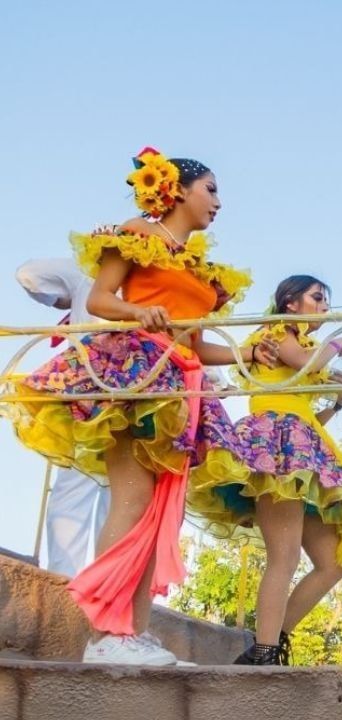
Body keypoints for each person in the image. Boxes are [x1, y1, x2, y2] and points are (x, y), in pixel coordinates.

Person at [6, 147, 270, 665]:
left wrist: (245, 353)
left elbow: (193, 342)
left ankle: (135, 631)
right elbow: (103, 300)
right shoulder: (136, 235)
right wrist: (138, 311)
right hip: (136, 375)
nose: (219, 202)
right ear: (177, 189)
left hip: (183, 382)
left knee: (159, 515)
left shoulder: (202, 270)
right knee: (131, 498)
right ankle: (106, 634)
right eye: (211, 189)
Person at [188, 275, 342, 666]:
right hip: (274, 451)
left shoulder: (301, 344)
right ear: (291, 302)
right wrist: (339, 343)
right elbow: (303, 363)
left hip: (299, 449)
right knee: (284, 556)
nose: (324, 308)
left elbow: (304, 422)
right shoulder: (278, 331)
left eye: (326, 301)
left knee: (333, 563)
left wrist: (336, 404)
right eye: (317, 298)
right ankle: (264, 651)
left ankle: (271, 639)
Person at [15, 257, 111, 577]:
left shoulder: (156, 278)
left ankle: (106, 588)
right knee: (75, 480)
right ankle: (62, 579)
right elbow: (29, 274)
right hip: (86, 383)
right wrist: (68, 291)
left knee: (120, 491)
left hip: (137, 385)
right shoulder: (90, 273)